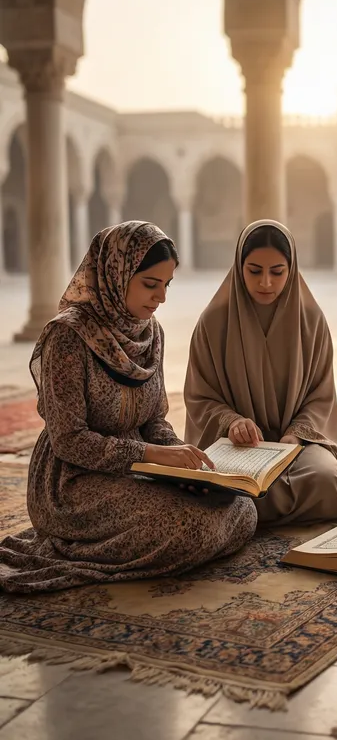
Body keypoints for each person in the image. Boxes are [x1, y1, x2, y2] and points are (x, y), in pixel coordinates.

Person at [0, 222, 257, 593]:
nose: (161, 297)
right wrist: (150, 454)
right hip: (72, 482)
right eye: (150, 284)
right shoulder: (68, 336)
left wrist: (180, 459)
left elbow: (154, 419)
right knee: (188, 525)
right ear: (115, 275)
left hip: (139, 468)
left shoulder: (151, 333)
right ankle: (77, 546)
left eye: (167, 285)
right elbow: (69, 440)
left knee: (240, 509)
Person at [184, 220, 337, 526]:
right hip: (235, 447)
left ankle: (238, 512)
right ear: (239, 268)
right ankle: (241, 506)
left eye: (277, 272)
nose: (266, 283)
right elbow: (199, 397)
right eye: (254, 271)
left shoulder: (310, 320)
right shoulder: (214, 322)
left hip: (296, 448)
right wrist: (232, 422)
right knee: (220, 483)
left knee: (328, 480)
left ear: (291, 269)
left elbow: (320, 396)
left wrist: (296, 435)